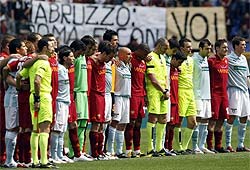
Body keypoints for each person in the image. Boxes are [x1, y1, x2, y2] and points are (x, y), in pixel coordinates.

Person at [17, 38, 56, 168]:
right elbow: (37, 81)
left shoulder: (33, 63)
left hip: (32, 96)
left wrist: (19, 87)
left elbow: (18, 76)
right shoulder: (43, 63)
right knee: (45, 129)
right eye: (51, 46)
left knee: (35, 129)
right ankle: (44, 161)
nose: (53, 49)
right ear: (44, 48)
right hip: (42, 97)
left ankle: (35, 161)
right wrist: (39, 99)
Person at [88, 41, 116, 160]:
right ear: (103, 53)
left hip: (103, 95)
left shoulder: (103, 63)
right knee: (96, 124)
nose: (110, 60)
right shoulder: (92, 62)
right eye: (109, 56)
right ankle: (94, 153)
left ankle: (100, 152)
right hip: (95, 95)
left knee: (102, 125)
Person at [2, 39, 27, 168]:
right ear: (17, 49)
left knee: (16, 128)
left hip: (18, 96)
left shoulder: (22, 60)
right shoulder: (13, 60)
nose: (26, 48)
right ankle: (8, 160)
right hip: (12, 96)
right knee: (11, 127)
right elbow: (5, 71)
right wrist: (13, 84)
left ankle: (12, 159)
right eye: (23, 46)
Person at [124, 43, 150, 158]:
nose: (146, 56)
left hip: (141, 95)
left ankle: (137, 150)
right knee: (131, 123)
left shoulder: (143, 62)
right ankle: (128, 150)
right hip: (132, 95)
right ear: (139, 50)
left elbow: (143, 81)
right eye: (145, 53)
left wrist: (146, 96)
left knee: (139, 123)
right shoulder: (130, 58)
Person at [67, 40, 92, 161]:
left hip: (84, 93)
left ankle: (80, 151)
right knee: (76, 124)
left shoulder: (83, 58)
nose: (82, 53)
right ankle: (73, 153)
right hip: (77, 93)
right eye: (81, 51)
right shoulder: (74, 60)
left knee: (83, 124)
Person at [145, 38, 170, 157]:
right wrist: (163, 90)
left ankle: (160, 147)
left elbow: (165, 76)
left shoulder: (163, 58)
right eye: (165, 47)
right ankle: (150, 149)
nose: (167, 49)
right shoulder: (150, 57)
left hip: (163, 92)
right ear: (159, 45)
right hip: (154, 91)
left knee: (163, 118)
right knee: (153, 118)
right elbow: (152, 78)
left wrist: (167, 90)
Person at [225, 36, 250, 152]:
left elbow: (247, 76)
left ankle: (240, 144)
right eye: (242, 45)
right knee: (231, 117)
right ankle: (228, 144)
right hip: (233, 90)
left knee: (244, 117)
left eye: (245, 45)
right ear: (235, 46)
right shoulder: (228, 59)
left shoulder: (244, 59)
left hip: (244, 91)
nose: (244, 47)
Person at [50, 46, 74, 163]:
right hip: (59, 102)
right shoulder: (58, 69)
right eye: (71, 56)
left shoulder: (65, 69)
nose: (73, 58)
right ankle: (53, 155)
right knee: (56, 129)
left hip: (65, 103)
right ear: (64, 58)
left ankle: (60, 155)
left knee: (63, 129)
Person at [107, 47, 132, 158]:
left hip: (127, 97)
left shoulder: (128, 66)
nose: (130, 56)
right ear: (121, 55)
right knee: (115, 122)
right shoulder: (115, 65)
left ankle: (119, 150)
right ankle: (110, 149)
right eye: (128, 54)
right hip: (118, 96)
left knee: (123, 124)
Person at [192, 39, 215, 154]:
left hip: (207, 95)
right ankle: (194, 146)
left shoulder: (207, 59)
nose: (209, 51)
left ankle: (202, 145)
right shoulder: (193, 60)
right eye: (206, 49)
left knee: (206, 120)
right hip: (198, 95)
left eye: (210, 49)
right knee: (198, 119)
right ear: (200, 48)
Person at [207, 39, 230, 153]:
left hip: (224, 95)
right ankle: (209, 146)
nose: (226, 49)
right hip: (214, 95)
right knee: (212, 121)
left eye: (226, 47)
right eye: (224, 47)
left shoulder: (226, 61)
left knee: (221, 120)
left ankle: (218, 146)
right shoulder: (211, 61)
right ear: (217, 49)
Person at [176, 38, 196, 155]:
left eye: (190, 46)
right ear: (181, 48)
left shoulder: (191, 60)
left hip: (190, 92)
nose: (190, 49)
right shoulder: (177, 60)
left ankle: (184, 147)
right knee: (179, 121)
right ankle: (179, 148)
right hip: (181, 91)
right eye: (188, 47)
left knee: (192, 122)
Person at [0, 34, 15, 165]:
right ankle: (3, 157)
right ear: (7, 46)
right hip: (4, 95)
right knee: (5, 127)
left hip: (6, 95)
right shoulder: (4, 57)